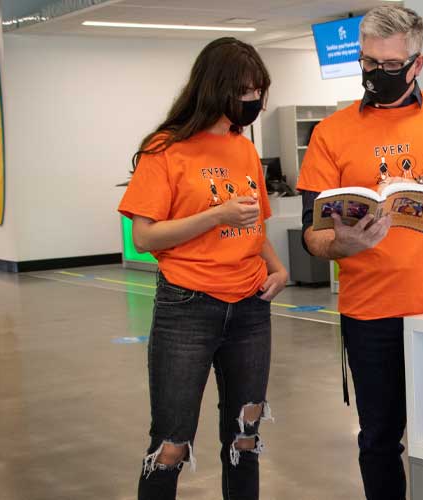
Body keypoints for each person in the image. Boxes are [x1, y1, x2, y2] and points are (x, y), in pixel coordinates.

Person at [296, 6, 423, 500]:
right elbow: (311, 233)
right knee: (380, 441)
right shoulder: (331, 132)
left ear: (418, 64)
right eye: (369, 64)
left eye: (391, 66)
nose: (378, 75)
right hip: (371, 314)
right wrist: (343, 241)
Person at [118, 37, 288, 500]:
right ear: (216, 88)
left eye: (258, 92)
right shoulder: (165, 149)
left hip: (251, 307)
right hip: (188, 307)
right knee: (171, 444)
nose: (253, 101)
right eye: (246, 91)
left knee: (244, 439)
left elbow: (255, 226)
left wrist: (278, 268)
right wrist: (216, 215)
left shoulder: (243, 148)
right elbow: (146, 237)